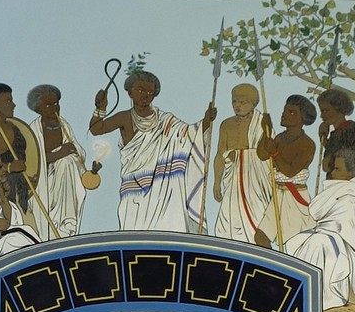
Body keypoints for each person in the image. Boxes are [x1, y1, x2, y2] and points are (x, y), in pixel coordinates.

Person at [90, 69, 215, 231]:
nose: (145, 95)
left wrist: (206, 120)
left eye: (149, 92)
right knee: (134, 230)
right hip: (134, 186)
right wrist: (100, 109)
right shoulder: (124, 118)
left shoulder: (166, 121)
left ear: (154, 94)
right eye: (140, 90)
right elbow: (96, 129)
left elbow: (189, 135)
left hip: (164, 188)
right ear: (130, 92)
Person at [283, 142, 355, 310]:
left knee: (318, 244)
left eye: (337, 169)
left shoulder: (353, 197)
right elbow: (319, 213)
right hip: (327, 236)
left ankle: (323, 300)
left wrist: (328, 234)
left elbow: (352, 232)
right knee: (307, 241)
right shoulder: (340, 191)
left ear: (350, 173)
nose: (332, 173)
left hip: (341, 245)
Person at [27, 84, 97, 239]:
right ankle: (60, 222)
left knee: (68, 161)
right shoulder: (33, 130)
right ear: (38, 109)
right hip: (44, 183)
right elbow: (33, 161)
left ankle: (68, 222)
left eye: (56, 103)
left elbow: (76, 151)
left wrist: (89, 170)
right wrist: (60, 153)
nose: (54, 108)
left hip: (66, 180)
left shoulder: (63, 125)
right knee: (65, 161)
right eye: (48, 105)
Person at [212, 82, 276, 243]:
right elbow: (220, 155)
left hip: (256, 183)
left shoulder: (261, 123)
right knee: (228, 221)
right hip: (232, 181)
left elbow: (267, 154)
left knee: (257, 219)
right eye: (234, 101)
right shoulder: (226, 125)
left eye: (242, 102)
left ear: (253, 103)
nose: (237, 105)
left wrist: (266, 132)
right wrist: (216, 182)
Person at [257, 94, 317, 241]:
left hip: (294, 196)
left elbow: (290, 172)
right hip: (278, 193)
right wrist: (266, 131)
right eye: (285, 110)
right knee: (261, 237)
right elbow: (262, 155)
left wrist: (275, 153)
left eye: (291, 112)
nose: (284, 114)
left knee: (293, 241)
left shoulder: (307, 144)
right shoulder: (280, 138)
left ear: (302, 118)